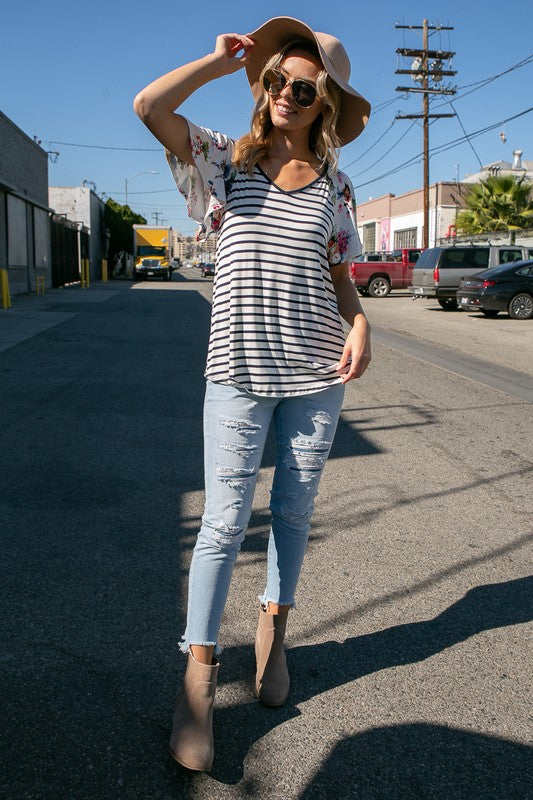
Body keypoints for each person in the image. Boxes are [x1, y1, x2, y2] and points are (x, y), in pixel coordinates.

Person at [134, 16, 371, 772]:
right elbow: (147, 107)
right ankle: (198, 681)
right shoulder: (223, 164)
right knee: (224, 523)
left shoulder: (337, 186)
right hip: (236, 370)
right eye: (277, 80)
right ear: (263, 87)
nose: (287, 94)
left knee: (294, 515)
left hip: (315, 374)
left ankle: (273, 633)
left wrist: (360, 324)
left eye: (304, 87)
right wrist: (213, 63)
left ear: (324, 103)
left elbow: (342, 277)